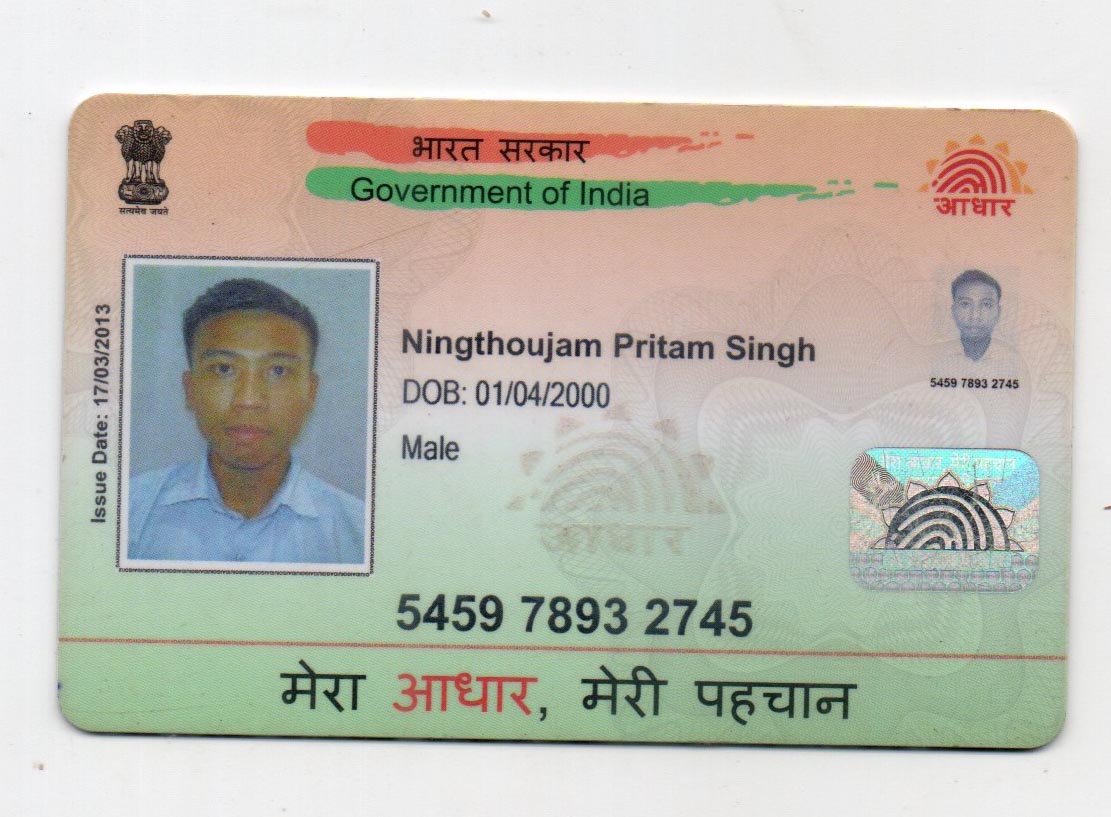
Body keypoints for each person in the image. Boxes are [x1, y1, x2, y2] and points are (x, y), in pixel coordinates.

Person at [128, 278, 365, 565]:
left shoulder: (360, 535)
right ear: (190, 389)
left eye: (278, 371)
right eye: (224, 369)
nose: (249, 400)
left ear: (311, 392)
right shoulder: (127, 514)